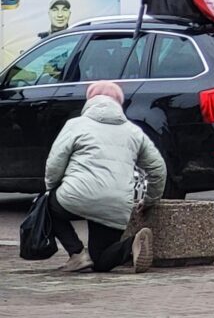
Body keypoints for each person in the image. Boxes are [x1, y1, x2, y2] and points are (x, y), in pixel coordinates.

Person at [44, 79, 164, 274]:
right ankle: (132, 244)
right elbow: (158, 169)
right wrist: (150, 200)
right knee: (101, 260)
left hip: (76, 196)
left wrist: (52, 189)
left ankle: (77, 254)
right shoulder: (134, 131)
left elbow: (55, 163)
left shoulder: (75, 125)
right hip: (116, 204)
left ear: (89, 100)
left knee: (45, 206)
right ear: (119, 104)